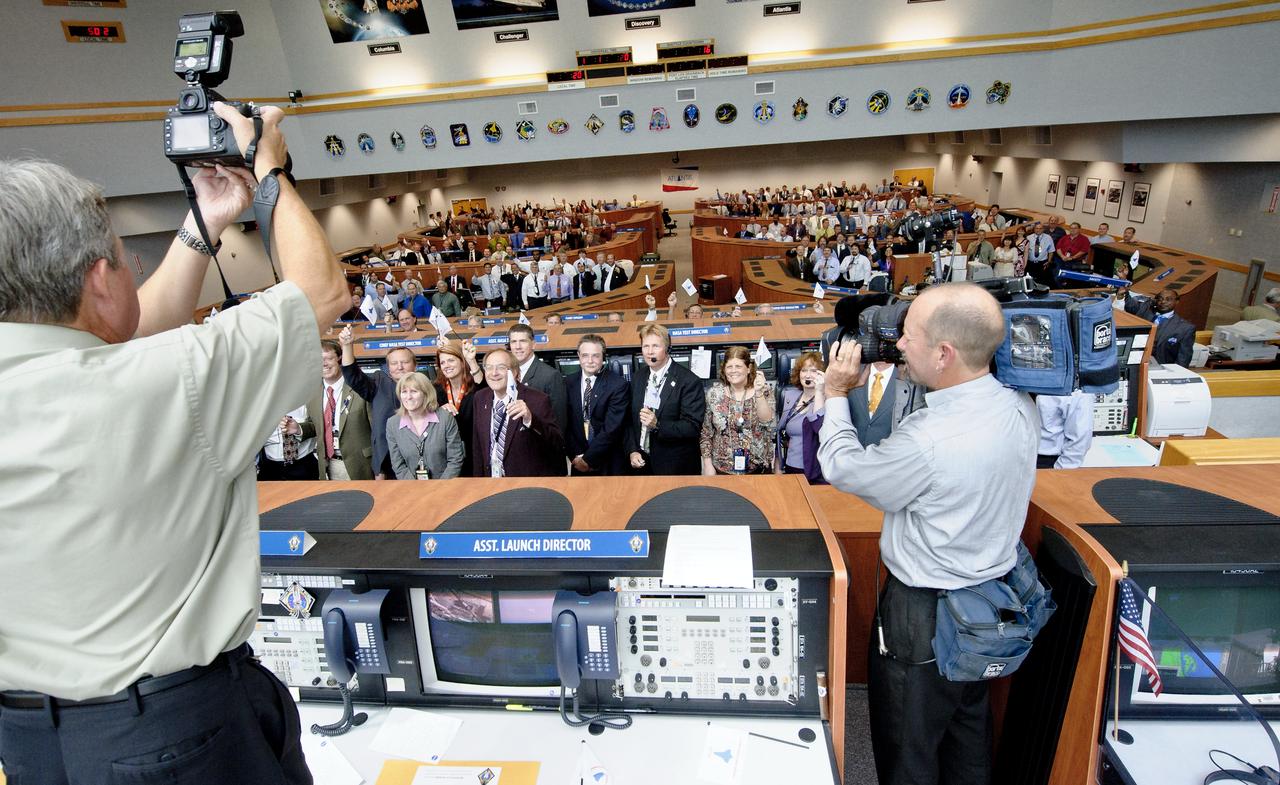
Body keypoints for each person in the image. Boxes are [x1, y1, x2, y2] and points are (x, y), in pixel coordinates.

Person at [0, 103, 347, 782]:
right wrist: (266, 162)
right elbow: (321, 292)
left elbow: (119, 334)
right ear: (100, 281)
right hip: (173, 739)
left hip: (33, 743)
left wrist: (204, 222)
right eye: (128, 260)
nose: (134, 269)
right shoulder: (166, 382)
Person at [817, 283, 1039, 785]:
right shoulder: (1022, 407)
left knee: (907, 752)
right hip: (992, 606)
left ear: (944, 354)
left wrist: (834, 394)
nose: (896, 345)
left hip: (923, 619)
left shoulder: (926, 442)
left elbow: (845, 467)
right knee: (967, 741)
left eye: (908, 337)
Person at [626, 323, 706, 475]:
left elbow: (692, 426)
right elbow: (629, 420)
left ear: (668, 348)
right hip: (641, 462)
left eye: (655, 346)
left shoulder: (688, 381)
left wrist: (658, 425)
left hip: (675, 465)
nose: (649, 352)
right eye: (645, 346)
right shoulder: (638, 378)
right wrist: (632, 450)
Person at [470, 348, 564, 477]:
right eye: (489, 367)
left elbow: (557, 442)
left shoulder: (537, 399)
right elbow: (478, 447)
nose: (494, 373)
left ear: (514, 372)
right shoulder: (480, 398)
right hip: (490, 482)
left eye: (501, 367)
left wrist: (530, 419)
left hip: (524, 484)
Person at [340, 326, 418, 478]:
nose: (400, 367)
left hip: (420, 459)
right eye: (394, 363)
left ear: (414, 365)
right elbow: (352, 375)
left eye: (404, 362)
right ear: (389, 368)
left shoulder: (428, 387)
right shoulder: (378, 383)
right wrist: (348, 345)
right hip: (387, 462)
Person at [700, 346, 777, 475]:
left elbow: (768, 422)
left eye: (738, 366)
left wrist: (758, 392)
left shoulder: (764, 391)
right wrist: (708, 465)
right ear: (724, 369)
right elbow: (706, 433)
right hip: (722, 468)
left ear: (749, 368)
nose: (733, 371)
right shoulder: (714, 394)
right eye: (729, 367)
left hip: (758, 469)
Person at [564, 334, 631, 475]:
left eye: (595, 356)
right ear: (578, 356)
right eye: (585, 355)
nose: (590, 361)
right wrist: (575, 457)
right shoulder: (567, 383)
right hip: (578, 461)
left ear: (603, 357)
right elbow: (566, 424)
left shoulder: (618, 385)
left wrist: (588, 459)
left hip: (608, 462)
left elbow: (611, 429)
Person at [311, 339, 374, 480]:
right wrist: (298, 429)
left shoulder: (359, 388)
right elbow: (314, 424)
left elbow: (376, 429)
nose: (324, 364)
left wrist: (380, 468)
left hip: (361, 466)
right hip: (327, 466)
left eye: (329, 358)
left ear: (340, 359)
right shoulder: (312, 392)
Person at [386, 372, 465, 480]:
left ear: (426, 393)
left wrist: (439, 487)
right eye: (404, 392)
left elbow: (455, 459)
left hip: (445, 488)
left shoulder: (445, 418)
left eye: (414, 391)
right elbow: (398, 465)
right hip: (411, 489)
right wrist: (416, 488)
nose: (408, 397)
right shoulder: (392, 424)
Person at [508, 322, 569, 440]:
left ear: (533, 344)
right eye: (513, 342)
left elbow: (559, 423)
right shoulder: (507, 373)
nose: (518, 346)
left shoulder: (551, 376)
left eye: (523, 341)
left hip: (539, 447)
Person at [775, 351, 827, 480]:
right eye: (804, 370)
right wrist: (778, 465)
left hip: (818, 471)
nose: (808, 375)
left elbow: (819, 429)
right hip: (791, 466)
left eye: (814, 371)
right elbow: (779, 432)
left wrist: (820, 391)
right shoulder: (790, 396)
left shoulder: (829, 399)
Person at [1122, 285, 1195, 366]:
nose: (1163, 302)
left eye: (1168, 299)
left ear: (1177, 301)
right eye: (1160, 299)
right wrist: (1123, 286)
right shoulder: (1144, 312)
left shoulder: (1185, 328)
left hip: (1161, 369)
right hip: (1134, 363)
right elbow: (1130, 305)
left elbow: (1183, 359)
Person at [1036, 390, 1094, 469]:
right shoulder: (1016, 382)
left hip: (1046, 461)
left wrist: (1060, 473)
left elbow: (1080, 439)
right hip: (1016, 455)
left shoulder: (1078, 388)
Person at [258, 405, 317, 480]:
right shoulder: (260, 402)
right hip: (270, 467)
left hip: (305, 464)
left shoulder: (306, 399)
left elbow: (320, 425)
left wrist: (299, 429)